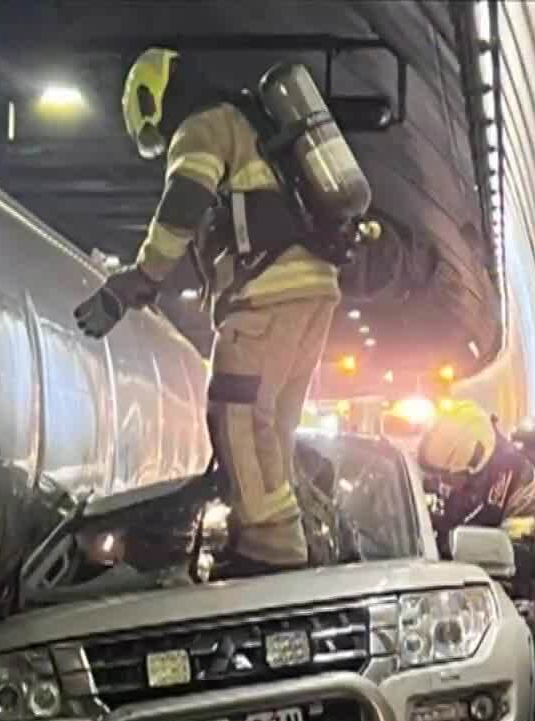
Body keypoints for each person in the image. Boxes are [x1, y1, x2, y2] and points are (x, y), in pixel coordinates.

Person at [73, 47, 349, 576]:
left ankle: (270, 547)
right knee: (273, 424)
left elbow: (184, 202)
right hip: (312, 290)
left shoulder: (201, 126)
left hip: (267, 294)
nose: (160, 137)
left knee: (234, 414)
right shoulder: (247, 121)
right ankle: (290, 531)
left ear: (155, 99)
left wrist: (140, 278)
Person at [417, 407, 535, 616]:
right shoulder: (464, 465)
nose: (443, 484)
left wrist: (444, 541)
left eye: (448, 478)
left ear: (473, 468)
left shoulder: (512, 486)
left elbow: (513, 560)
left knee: (524, 614)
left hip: (511, 579)